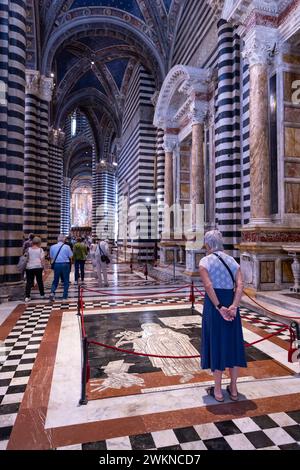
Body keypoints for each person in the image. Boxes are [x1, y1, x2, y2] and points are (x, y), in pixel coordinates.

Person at [199, 230, 247, 403]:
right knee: (232, 345)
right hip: (232, 306)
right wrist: (234, 305)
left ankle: (218, 392)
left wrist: (220, 307)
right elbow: (240, 285)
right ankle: (233, 389)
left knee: (217, 344)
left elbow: (208, 286)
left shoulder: (205, 261)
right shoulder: (232, 261)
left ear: (208, 244)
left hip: (215, 307)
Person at [49, 235, 73, 301]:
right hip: (65, 264)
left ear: (57, 239)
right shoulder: (67, 247)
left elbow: (51, 257)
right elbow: (71, 256)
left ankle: (52, 292)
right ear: (64, 240)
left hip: (56, 264)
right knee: (66, 280)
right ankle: (64, 297)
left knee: (55, 280)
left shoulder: (52, 247)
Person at [24, 237, 45, 302]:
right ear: (39, 242)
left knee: (29, 282)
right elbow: (42, 260)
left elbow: (25, 258)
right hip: (38, 267)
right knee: (39, 281)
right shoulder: (40, 250)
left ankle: (27, 296)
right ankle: (42, 294)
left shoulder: (28, 249)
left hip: (29, 267)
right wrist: (43, 267)